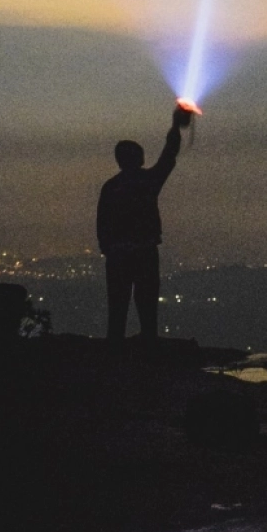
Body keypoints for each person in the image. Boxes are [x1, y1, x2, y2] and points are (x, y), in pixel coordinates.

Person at [97, 104, 193, 349]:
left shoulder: (111, 187)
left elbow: (102, 222)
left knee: (118, 303)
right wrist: (175, 126)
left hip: (118, 253)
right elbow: (168, 156)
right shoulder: (146, 182)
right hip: (143, 250)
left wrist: (109, 248)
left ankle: (114, 346)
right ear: (135, 158)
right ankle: (148, 344)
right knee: (146, 300)